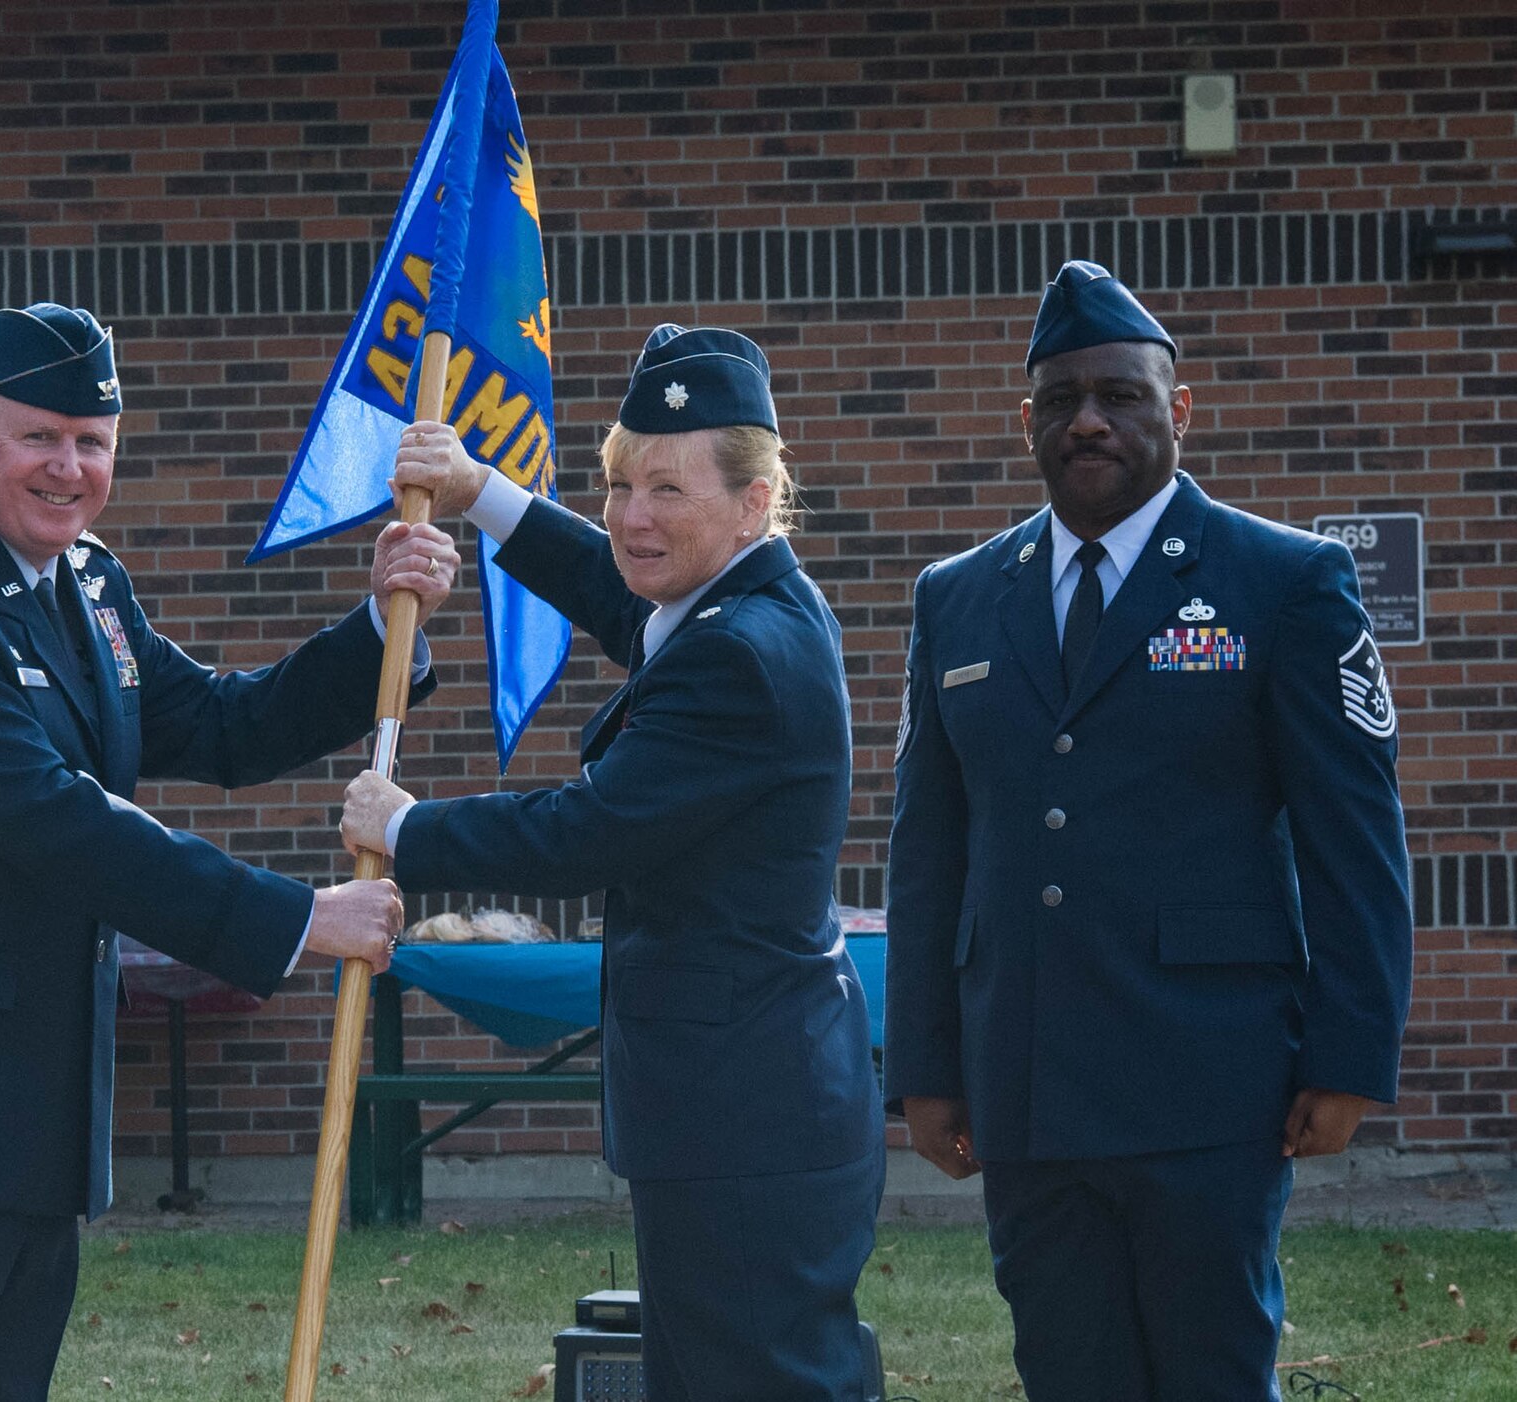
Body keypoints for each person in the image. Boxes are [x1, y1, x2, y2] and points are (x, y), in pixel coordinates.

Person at [0, 302, 461, 1401]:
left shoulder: (86, 586)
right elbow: (57, 822)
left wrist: (378, 629)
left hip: (23, 1146)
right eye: (37, 435)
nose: (66, 466)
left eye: (90, 441)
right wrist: (294, 919)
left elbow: (223, 724)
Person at [884, 262, 1413, 1401]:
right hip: (1024, 1084)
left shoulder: (1282, 582)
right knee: (1065, 1374)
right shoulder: (958, 597)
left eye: (1118, 395)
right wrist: (924, 1064)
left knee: (1210, 1374)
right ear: (1023, 419)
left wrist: (1348, 1054)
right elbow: (929, 847)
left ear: (1178, 410)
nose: (1086, 419)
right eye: (1060, 397)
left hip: (1207, 1082)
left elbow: (1352, 839)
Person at [340, 325, 886, 1402]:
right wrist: (478, 489)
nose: (634, 516)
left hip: (745, 1116)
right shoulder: (740, 605)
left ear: (754, 499)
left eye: (667, 489)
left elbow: (586, 832)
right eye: (619, 483)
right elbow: (620, 589)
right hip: (748, 1101)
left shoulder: (738, 650)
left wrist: (406, 828)